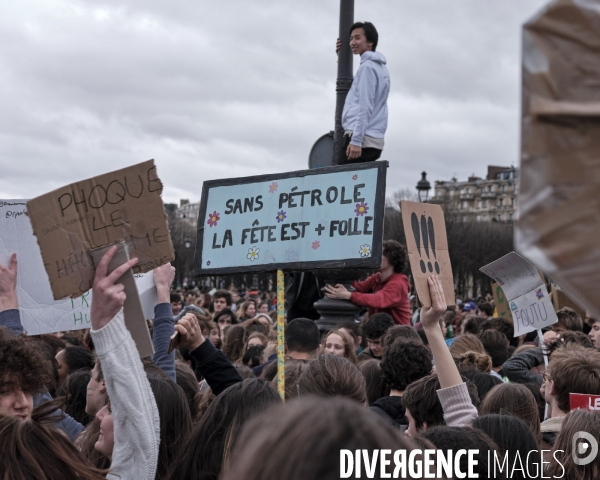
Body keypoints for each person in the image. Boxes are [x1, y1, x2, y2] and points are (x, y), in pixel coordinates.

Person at [338, 22, 390, 163]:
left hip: (361, 140)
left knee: (342, 181)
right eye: (351, 39)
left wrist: (356, 141)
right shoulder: (381, 68)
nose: (353, 42)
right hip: (373, 139)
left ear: (370, 42)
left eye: (357, 38)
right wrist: (341, 54)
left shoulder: (367, 67)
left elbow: (365, 106)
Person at [325, 240, 411, 325]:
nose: (375, 257)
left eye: (380, 254)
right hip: (380, 331)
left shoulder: (398, 283)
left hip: (398, 334)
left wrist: (349, 295)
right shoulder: (376, 278)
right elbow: (359, 288)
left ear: (392, 258)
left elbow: (379, 299)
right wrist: (347, 273)